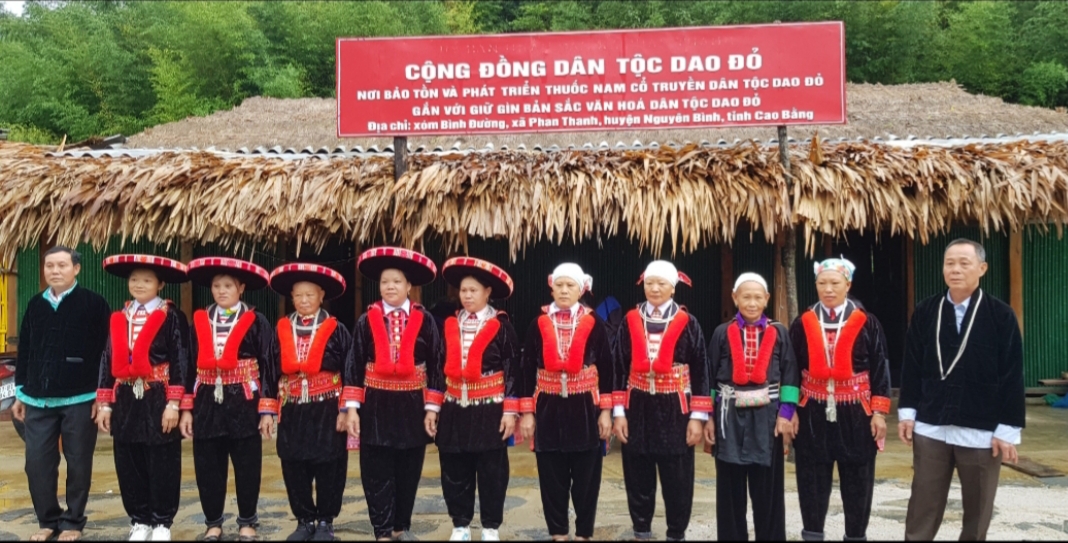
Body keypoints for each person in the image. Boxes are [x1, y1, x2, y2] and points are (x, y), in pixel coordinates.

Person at [899, 238, 1025, 541]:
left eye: (964, 263)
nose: (955, 269)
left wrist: (1007, 428)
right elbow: (911, 366)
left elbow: (1012, 374)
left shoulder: (1000, 315)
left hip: (981, 429)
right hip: (931, 425)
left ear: (982, 268)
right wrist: (907, 413)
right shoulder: (926, 310)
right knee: (922, 505)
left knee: (978, 509)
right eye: (949, 263)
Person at [344, 247, 444, 541]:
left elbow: (437, 363)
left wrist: (432, 408)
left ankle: (401, 526)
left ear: (409, 286)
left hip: (413, 405)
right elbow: (354, 363)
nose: (390, 287)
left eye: (397, 281)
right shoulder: (366, 320)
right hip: (376, 405)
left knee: (409, 468)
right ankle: (382, 531)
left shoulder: (426, 320)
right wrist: (352, 409)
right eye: (385, 281)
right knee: (376, 469)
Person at [12, 245, 111, 542]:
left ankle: (73, 521)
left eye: (62, 265)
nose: (54, 271)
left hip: (80, 398)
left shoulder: (94, 303)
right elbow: (26, 350)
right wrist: (20, 392)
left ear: (76, 269)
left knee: (78, 462)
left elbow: (105, 352)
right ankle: (48, 520)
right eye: (49, 266)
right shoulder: (35, 304)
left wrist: (102, 396)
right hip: (37, 398)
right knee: (37, 463)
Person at [788, 257, 891, 542]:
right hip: (812, 411)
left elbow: (880, 367)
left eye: (835, 283)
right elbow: (791, 368)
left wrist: (879, 413)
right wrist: (789, 410)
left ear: (848, 284)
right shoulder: (803, 323)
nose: (828, 289)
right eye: (822, 283)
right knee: (811, 477)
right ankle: (812, 534)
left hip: (857, 413)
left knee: (858, 478)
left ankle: (855, 536)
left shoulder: (867, 322)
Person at [180, 257, 279, 542]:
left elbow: (269, 364)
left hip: (244, 401)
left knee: (247, 463)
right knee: (208, 464)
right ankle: (213, 522)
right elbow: (188, 365)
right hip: (207, 402)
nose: (221, 291)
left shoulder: (257, 321)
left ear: (241, 288)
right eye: (216, 286)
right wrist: (186, 408)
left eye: (228, 286)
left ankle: (247, 520)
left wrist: (267, 410)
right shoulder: (200, 320)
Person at [611, 260, 711, 541]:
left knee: (677, 476)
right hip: (637, 407)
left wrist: (697, 418)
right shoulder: (630, 320)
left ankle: (676, 533)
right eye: (649, 283)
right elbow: (619, 366)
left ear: (673, 288)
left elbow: (701, 370)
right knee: (637, 472)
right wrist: (619, 412)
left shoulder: (689, 323)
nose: (654, 288)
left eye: (661, 283)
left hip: (675, 409)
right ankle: (641, 530)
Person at [95, 255, 191, 541]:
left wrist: (174, 403)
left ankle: (162, 522)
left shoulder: (172, 316)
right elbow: (107, 358)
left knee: (162, 460)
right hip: (125, 397)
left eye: (147, 280)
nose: (139, 284)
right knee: (128, 458)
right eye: (134, 279)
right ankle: (140, 520)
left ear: (160, 284)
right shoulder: (120, 316)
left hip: (158, 395)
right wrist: (104, 404)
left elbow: (181, 359)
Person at [518, 263, 615, 542]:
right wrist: (527, 413)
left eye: (570, 285)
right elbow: (526, 368)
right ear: (551, 288)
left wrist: (605, 411)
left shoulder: (595, 323)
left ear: (581, 289)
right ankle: (558, 534)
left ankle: (584, 534)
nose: (563, 290)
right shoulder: (538, 323)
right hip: (548, 407)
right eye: (559, 285)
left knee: (587, 478)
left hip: (585, 407)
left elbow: (607, 368)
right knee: (551, 477)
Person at [262, 263, 353, 542]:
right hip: (292, 408)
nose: (303, 300)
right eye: (298, 295)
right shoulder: (281, 329)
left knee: (329, 463)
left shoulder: (337, 330)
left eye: (310, 295)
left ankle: (325, 521)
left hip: (327, 407)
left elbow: (350, 370)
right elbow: (269, 369)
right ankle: (304, 520)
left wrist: (345, 409)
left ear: (321, 296)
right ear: (291, 297)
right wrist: (267, 411)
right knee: (293, 462)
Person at [706, 272, 799, 541]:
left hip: (767, 420)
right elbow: (709, 377)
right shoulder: (721, 333)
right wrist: (708, 417)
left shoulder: (779, 333)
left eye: (758, 297)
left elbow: (790, 376)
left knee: (768, 492)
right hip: (728, 419)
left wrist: (786, 414)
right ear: (735, 298)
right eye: (746, 297)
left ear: (767, 299)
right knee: (729, 492)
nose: (752, 302)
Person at [435, 256, 521, 542]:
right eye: (463, 290)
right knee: (454, 466)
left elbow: (512, 368)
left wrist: (510, 410)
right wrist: (433, 408)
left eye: (473, 290)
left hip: (489, 409)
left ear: (487, 292)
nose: (468, 295)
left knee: (491, 470)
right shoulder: (450, 324)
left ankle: (490, 527)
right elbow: (437, 366)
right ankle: (460, 525)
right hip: (454, 407)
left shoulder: (502, 326)